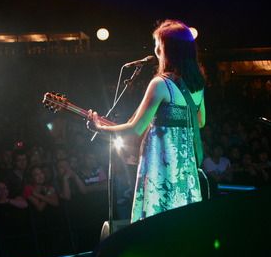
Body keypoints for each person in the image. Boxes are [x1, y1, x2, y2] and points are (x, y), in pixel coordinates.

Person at [88, 19, 206, 223]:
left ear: (166, 50)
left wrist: (100, 128)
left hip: (161, 167)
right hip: (185, 169)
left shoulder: (161, 84)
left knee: (157, 222)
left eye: (158, 44)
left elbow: (136, 129)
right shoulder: (197, 85)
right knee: (182, 222)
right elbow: (201, 122)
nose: (156, 50)